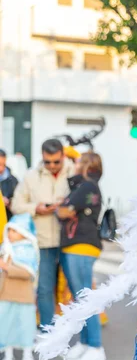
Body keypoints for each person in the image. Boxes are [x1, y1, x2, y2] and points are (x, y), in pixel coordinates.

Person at [11, 139, 75, 328]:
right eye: (48, 162)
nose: (52, 166)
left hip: (70, 240)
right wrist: (36, 208)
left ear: (63, 156)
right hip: (43, 241)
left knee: (77, 288)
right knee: (45, 288)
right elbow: (16, 205)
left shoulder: (76, 172)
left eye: (56, 162)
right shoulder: (31, 176)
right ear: (42, 157)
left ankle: (80, 335)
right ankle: (49, 331)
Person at [56, 152, 105, 360]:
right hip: (78, 246)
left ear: (85, 164)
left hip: (81, 246)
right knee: (80, 298)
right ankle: (86, 343)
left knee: (85, 299)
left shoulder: (86, 186)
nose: (74, 164)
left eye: (77, 161)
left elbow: (65, 211)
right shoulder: (87, 186)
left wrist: (61, 208)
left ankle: (95, 346)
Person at [0, 214, 40, 360]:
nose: (10, 234)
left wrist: (6, 266)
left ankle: (27, 355)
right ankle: (8, 356)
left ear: (24, 232)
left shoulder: (29, 250)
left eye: (14, 231)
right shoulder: (5, 248)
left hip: (23, 296)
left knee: (25, 325)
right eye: (9, 231)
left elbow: (28, 273)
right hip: (5, 294)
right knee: (5, 325)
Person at [0, 149, 19, 221]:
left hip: (7, 220)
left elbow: (18, 200)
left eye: (3, 165)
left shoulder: (13, 181)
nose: (1, 168)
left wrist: (9, 202)